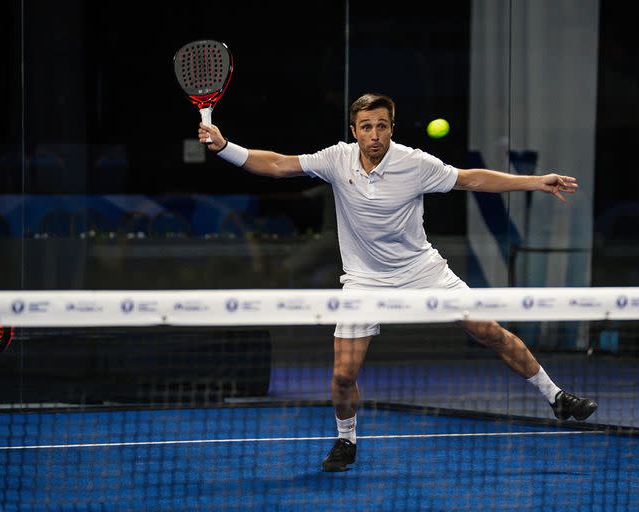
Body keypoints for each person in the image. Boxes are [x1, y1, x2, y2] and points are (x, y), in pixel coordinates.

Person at [198, 92, 597, 473]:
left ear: (392, 128)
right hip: (364, 281)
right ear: (354, 130)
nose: (375, 135)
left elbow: (471, 180)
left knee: (487, 330)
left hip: (421, 271)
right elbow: (278, 164)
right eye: (367, 126)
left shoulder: (415, 163)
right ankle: (346, 441)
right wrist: (225, 147)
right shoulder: (336, 159)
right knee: (342, 376)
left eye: (382, 126)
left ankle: (556, 397)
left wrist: (535, 181)